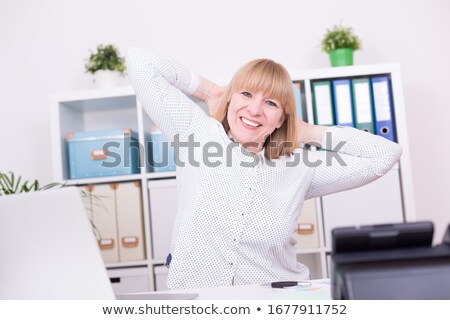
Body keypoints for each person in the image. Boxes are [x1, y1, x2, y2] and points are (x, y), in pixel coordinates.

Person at [127, 47, 403, 289]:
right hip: (200, 303)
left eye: (270, 103)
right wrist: (211, 91)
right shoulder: (196, 135)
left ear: (282, 118)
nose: (254, 109)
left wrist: (309, 133)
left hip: (275, 303)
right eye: (246, 94)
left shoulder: (299, 167)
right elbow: (139, 60)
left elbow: (385, 155)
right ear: (231, 99)